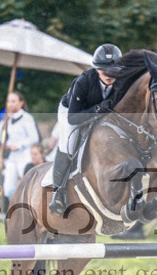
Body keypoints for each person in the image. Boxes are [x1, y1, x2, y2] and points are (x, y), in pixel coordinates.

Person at [49, 43, 122, 214]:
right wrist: (98, 109)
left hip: (101, 114)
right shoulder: (83, 81)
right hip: (72, 112)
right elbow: (74, 118)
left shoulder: (123, 84)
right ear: (96, 69)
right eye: (105, 70)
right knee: (68, 142)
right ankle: (58, 193)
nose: (109, 75)